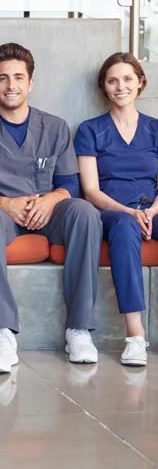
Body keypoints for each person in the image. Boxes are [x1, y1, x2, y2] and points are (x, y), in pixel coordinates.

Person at [0, 42, 102, 373]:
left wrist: (50, 199)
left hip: (48, 213)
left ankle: (79, 330)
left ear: (30, 83)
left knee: (85, 213)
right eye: (3, 78)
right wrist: (1, 203)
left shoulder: (55, 127)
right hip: (1, 217)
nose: (11, 86)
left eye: (18, 77)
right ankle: (2, 334)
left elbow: (71, 185)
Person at [75, 52, 155, 366]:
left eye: (127, 79)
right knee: (124, 227)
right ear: (104, 87)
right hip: (111, 211)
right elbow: (91, 190)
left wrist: (150, 211)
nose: (120, 86)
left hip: (151, 210)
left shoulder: (155, 128)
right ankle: (135, 337)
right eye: (112, 80)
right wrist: (129, 211)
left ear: (140, 83)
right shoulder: (90, 130)